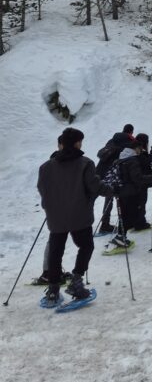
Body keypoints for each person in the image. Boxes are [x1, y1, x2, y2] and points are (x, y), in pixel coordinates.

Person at [37, 127, 111, 303]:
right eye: (80, 142)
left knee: (56, 251)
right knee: (86, 246)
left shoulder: (46, 167)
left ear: (61, 144)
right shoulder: (85, 163)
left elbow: (42, 189)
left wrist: (49, 206)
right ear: (77, 143)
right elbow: (94, 186)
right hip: (80, 215)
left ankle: (53, 289)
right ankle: (76, 282)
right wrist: (111, 190)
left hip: (56, 216)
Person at [111, 134, 152, 247]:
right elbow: (137, 178)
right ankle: (120, 237)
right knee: (130, 215)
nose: (140, 151)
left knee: (125, 215)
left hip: (121, 191)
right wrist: (151, 177)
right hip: (130, 192)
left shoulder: (121, 158)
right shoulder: (132, 160)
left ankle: (121, 236)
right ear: (136, 148)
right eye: (139, 149)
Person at [95, 124, 135, 234]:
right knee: (112, 197)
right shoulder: (125, 144)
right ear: (131, 132)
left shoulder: (112, 141)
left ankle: (101, 224)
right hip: (111, 174)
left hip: (99, 172)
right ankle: (106, 224)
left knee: (98, 198)